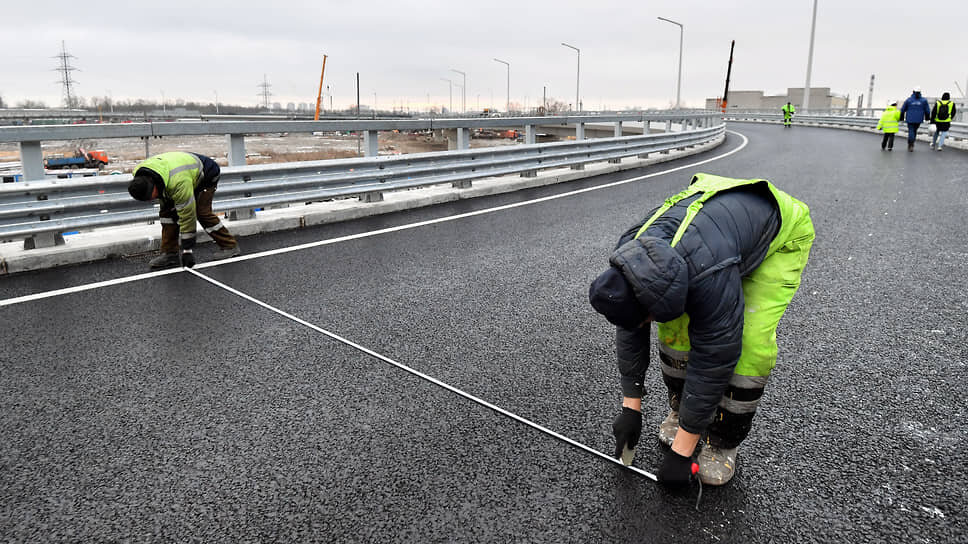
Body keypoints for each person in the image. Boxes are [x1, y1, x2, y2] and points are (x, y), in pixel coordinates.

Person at [588, 173, 815, 486]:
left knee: (748, 344)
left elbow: (714, 356)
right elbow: (630, 326)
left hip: (778, 236)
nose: (642, 323)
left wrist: (682, 453)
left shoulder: (707, 274)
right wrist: (631, 407)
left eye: (644, 317)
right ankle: (683, 413)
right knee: (676, 331)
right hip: (713, 229)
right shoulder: (629, 256)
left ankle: (722, 440)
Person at [127, 152, 240, 269]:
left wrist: (187, 251)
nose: (152, 199)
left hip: (206, 174)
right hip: (177, 173)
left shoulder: (178, 183)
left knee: (201, 212)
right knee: (167, 214)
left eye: (151, 196)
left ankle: (229, 246)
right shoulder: (139, 175)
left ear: (153, 184)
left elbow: (187, 216)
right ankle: (170, 254)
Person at [899, 86, 930, 152]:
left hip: (910, 119)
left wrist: (901, 118)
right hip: (919, 119)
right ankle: (912, 143)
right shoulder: (924, 100)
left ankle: (910, 144)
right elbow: (927, 111)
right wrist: (927, 118)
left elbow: (902, 110)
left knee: (911, 131)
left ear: (913, 92)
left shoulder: (909, 100)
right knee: (914, 131)